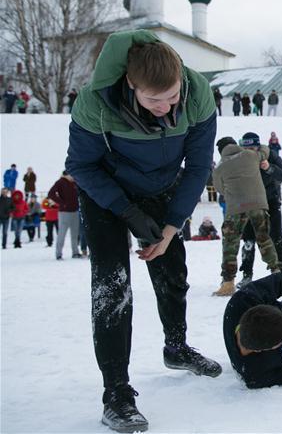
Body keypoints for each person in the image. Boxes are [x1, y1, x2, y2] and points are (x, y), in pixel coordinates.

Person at [65, 30, 221, 432]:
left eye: (172, 96)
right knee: (113, 286)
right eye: (154, 100)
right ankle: (116, 391)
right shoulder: (95, 104)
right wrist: (127, 211)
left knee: (173, 271)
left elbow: (200, 165)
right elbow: (81, 166)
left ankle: (177, 346)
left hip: (164, 186)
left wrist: (170, 227)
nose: (167, 107)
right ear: (130, 85)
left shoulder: (197, 91)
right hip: (107, 193)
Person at [212, 136, 281, 297]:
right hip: (258, 204)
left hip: (235, 207)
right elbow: (265, 149)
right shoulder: (251, 155)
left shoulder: (220, 167)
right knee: (264, 238)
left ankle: (228, 282)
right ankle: (276, 272)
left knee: (230, 243)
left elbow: (220, 189)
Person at [237, 132, 282, 288]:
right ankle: (246, 274)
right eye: (246, 148)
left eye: (252, 148)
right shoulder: (238, 159)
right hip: (248, 203)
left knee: (276, 237)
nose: (250, 152)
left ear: (258, 146)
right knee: (248, 240)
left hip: (270, 202)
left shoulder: (270, 155)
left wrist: (269, 168)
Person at [48, 171, 80, 260]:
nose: (73, 177)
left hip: (75, 211)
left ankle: (75, 252)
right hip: (64, 212)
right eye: (72, 175)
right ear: (67, 175)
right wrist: (62, 203)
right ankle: (58, 254)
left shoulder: (75, 183)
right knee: (62, 233)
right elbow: (51, 193)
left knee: (75, 234)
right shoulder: (60, 182)